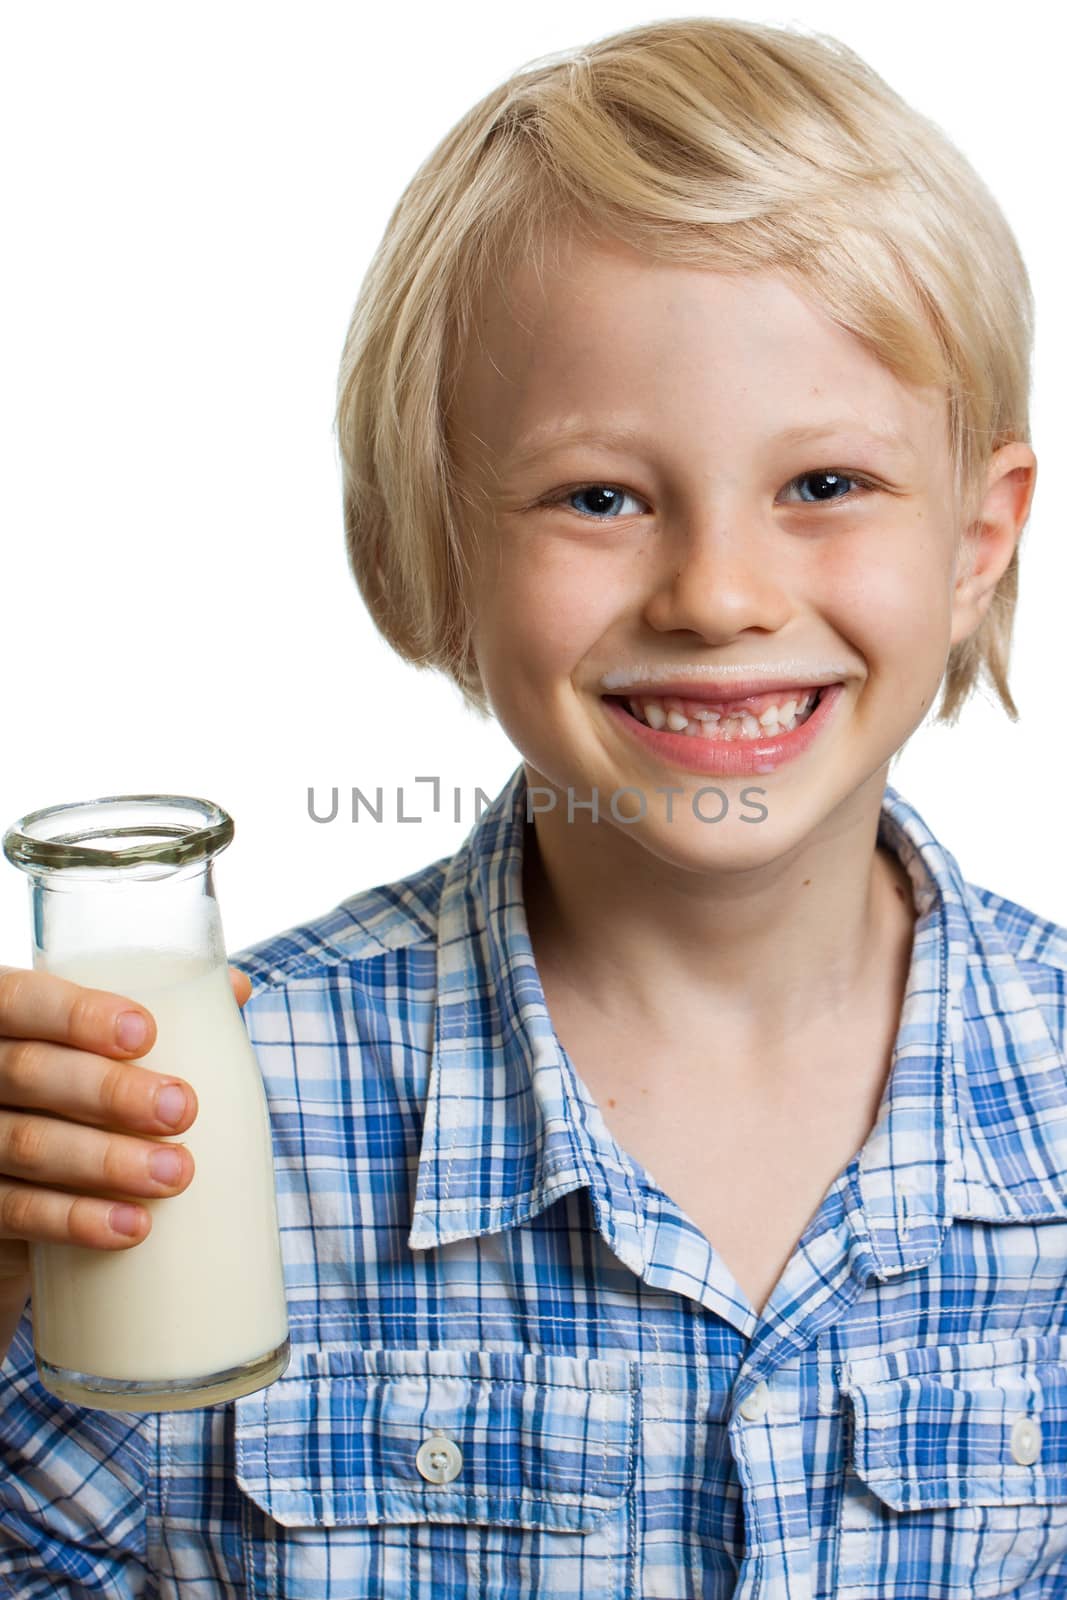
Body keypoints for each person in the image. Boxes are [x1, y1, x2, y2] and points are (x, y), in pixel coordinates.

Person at [0, 15, 1061, 1598]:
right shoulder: (197, 1126)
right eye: (601, 497)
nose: (718, 593)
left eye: (825, 486)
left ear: (979, 539)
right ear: (436, 547)